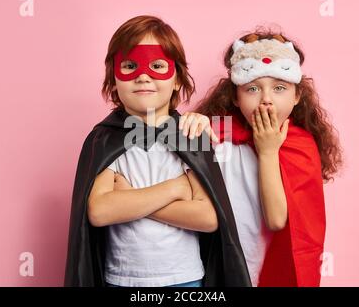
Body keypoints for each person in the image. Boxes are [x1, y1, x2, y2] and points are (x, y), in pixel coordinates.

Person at [64, 15, 251, 287]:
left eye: (157, 66)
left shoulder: (190, 135)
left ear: (177, 79)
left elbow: (208, 218)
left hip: (184, 280)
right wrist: (176, 188)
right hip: (121, 279)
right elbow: (100, 211)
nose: (143, 76)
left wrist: (129, 200)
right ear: (114, 79)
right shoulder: (104, 138)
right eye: (129, 66)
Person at [180, 28, 343, 286]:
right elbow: (162, 145)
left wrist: (267, 152)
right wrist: (188, 124)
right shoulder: (217, 133)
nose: (266, 100)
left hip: (269, 270)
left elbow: (277, 220)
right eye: (253, 88)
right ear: (235, 96)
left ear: (297, 95)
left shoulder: (300, 145)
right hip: (220, 268)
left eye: (279, 88)